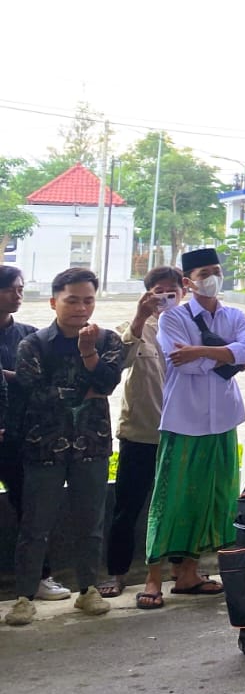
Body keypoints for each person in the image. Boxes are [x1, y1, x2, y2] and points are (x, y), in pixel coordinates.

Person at [4, 268, 124, 627]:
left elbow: (106, 383)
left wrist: (89, 354)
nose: (81, 308)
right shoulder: (34, 343)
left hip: (93, 443)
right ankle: (24, 596)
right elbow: (33, 390)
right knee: (35, 524)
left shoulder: (108, 340)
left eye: (88, 300)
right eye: (72, 300)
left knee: (91, 522)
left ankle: (88, 590)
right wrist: (84, 389)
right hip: (44, 445)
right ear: (54, 301)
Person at [148, 248, 245, 597]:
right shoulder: (172, 319)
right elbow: (183, 363)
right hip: (185, 420)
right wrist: (228, 356)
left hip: (223, 419)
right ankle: (153, 579)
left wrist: (202, 351)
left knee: (218, 498)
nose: (211, 277)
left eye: (216, 270)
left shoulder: (234, 315)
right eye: (203, 272)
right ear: (187, 282)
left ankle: (190, 575)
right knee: (172, 499)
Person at [99, 267, 181, 604]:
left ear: (183, 292)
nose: (165, 299)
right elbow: (120, 361)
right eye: (158, 292)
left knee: (178, 505)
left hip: (182, 434)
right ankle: (116, 573)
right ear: (147, 294)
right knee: (127, 506)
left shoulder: (192, 329)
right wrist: (139, 316)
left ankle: (183, 571)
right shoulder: (132, 328)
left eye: (171, 293)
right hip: (140, 433)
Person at [0, 265, 69, 604]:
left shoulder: (29, 337)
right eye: (12, 288)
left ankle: (40, 577)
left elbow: (41, 384)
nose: (18, 294)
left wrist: (7, 375)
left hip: (19, 436)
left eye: (20, 288)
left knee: (30, 510)